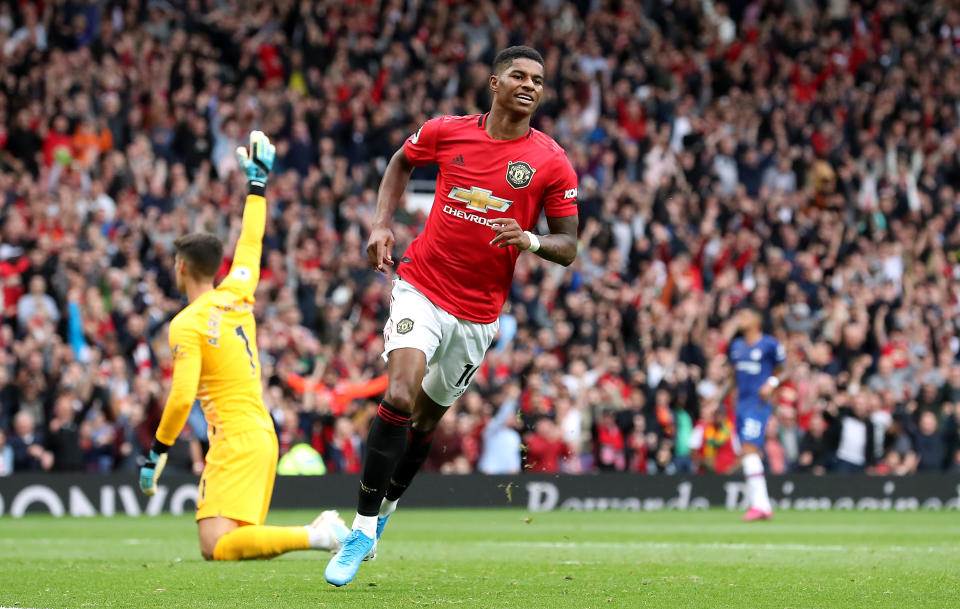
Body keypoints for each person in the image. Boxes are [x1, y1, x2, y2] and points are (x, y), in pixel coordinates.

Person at [325, 46, 579, 586]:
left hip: (479, 315)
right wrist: (380, 224)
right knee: (398, 396)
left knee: (424, 423)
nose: (530, 84)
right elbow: (399, 162)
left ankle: (386, 510)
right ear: (494, 82)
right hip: (421, 284)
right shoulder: (446, 131)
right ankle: (362, 527)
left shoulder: (551, 161)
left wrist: (531, 239)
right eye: (518, 75)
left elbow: (569, 245)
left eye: (538, 78)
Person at [138, 131, 347, 561]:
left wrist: (158, 451)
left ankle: (319, 533)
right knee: (230, 541)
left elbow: (181, 398)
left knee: (215, 545)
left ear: (181, 267)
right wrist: (257, 184)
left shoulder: (187, 323)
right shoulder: (237, 290)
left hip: (233, 439)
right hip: (261, 433)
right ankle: (318, 534)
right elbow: (251, 242)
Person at [726, 306, 786, 521]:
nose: (740, 317)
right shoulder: (737, 345)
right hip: (741, 404)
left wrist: (772, 382)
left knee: (750, 448)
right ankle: (762, 505)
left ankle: (760, 505)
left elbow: (785, 369)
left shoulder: (770, 344)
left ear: (757, 320)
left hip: (758, 404)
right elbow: (734, 376)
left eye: (744, 313)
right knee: (746, 450)